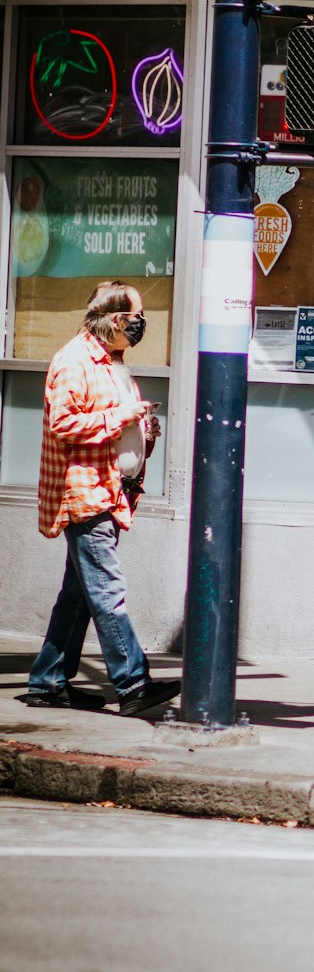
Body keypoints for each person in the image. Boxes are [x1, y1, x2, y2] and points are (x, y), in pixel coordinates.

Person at [24, 281, 181, 717]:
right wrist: (122, 416)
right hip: (86, 490)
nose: (141, 324)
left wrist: (143, 431)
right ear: (115, 320)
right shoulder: (74, 361)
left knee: (78, 594)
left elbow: (113, 421)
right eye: (137, 317)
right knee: (107, 590)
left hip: (109, 488)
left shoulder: (111, 361)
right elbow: (64, 424)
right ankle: (133, 683)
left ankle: (46, 681)